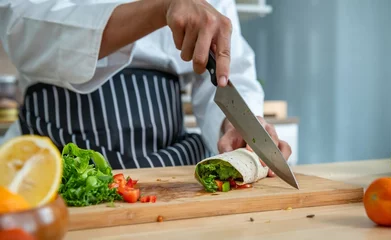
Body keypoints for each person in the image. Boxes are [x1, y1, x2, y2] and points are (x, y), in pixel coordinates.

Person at [0, 0, 291, 176]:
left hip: (169, 158)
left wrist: (235, 124)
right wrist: (159, 9)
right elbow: (19, 29)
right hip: (48, 155)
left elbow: (225, 61)